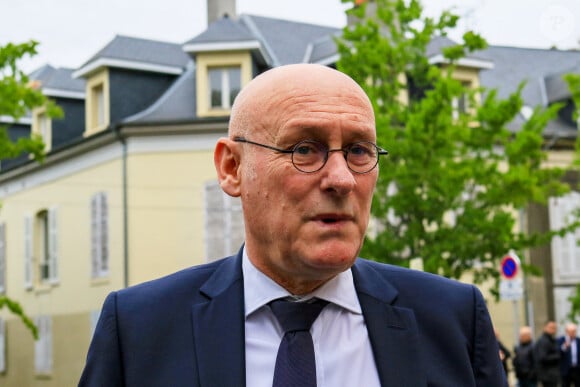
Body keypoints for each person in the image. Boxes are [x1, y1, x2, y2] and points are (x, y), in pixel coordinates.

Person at [78, 64, 506, 386]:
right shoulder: (139, 330)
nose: (340, 178)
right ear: (232, 168)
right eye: (304, 148)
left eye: (358, 150)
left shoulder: (453, 320)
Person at [535, 320, 562, 387]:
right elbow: (543, 357)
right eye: (551, 327)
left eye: (554, 328)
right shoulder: (544, 340)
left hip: (551, 374)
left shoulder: (551, 339)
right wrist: (557, 356)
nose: (553, 329)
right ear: (545, 327)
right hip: (548, 375)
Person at [559, 322, 580, 387]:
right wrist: (564, 347)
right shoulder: (560, 340)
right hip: (565, 370)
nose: (572, 333)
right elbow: (557, 353)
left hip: (577, 369)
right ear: (566, 331)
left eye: (574, 331)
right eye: (570, 331)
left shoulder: (578, 340)